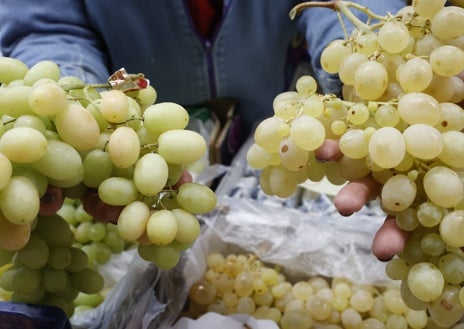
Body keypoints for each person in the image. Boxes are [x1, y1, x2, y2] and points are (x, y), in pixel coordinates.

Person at [0, 0, 406, 260]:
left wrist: (363, 68)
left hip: (277, 128)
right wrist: (75, 109)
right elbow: (46, 24)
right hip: (131, 135)